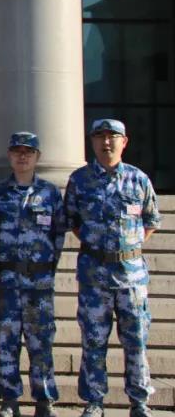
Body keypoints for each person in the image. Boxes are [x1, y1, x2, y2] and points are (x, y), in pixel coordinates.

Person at [66, 119, 160, 417]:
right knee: (93, 342)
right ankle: (94, 401)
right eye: (100, 137)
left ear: (124, 142)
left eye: (112, 137)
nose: (106, 142)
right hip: (94, 276)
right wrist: (99, 248)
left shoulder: (138, 179)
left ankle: (139, 401)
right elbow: (73, 221)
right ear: (92, 142)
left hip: (131, 277)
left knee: (136, 342)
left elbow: (151, 221)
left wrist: (127, 249)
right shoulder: (79, 180)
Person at [0, 132, 66, 417]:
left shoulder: (50, 193)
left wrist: (47, 269)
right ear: (9, 155)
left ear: (37, 157)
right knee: (6, 342)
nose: (23, 156)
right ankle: (9, 400)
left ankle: (44, 400)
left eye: (28, 152)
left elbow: (58, 235)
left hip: (39, 283)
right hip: (6, 281)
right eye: (17, 151)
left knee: (41, 342)